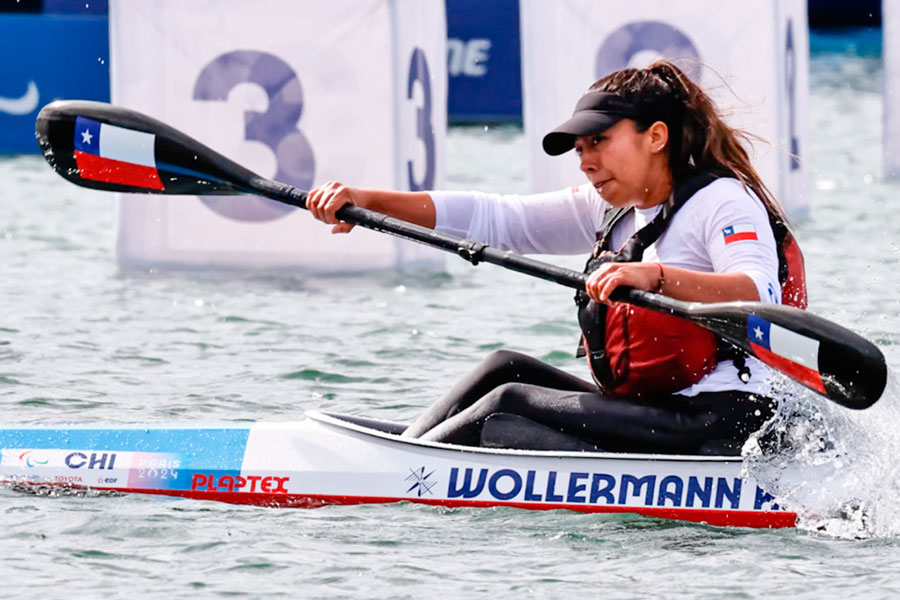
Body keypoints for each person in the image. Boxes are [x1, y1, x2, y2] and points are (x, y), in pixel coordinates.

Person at [306, 60, 806, 456]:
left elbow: (759, 292)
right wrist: (369, 201)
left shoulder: (723, 202)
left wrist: (651, 275)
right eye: (580, 148)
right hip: (661, 408)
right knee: (504, 369)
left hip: (730, 416)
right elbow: (496, 218)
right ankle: (410, 451)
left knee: (509, 404)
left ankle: (403, 469)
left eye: (600, 141)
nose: (586, 159)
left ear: (655, 136)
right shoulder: (613, 208)